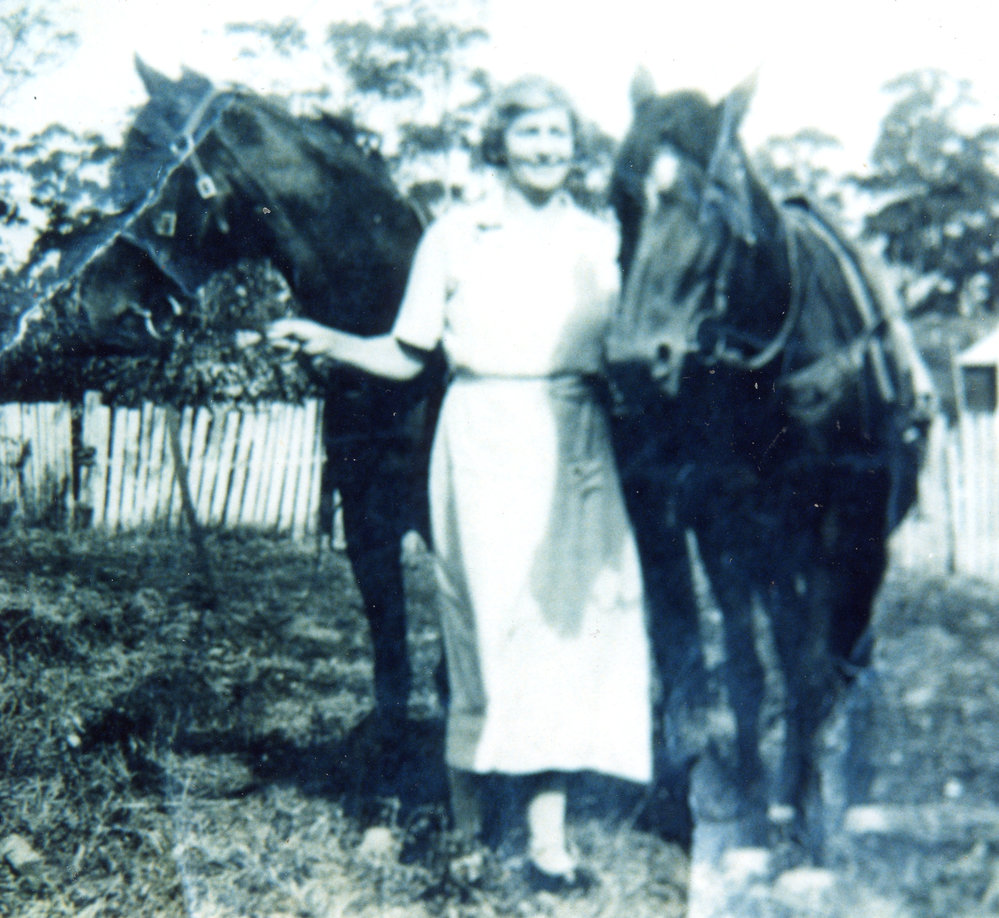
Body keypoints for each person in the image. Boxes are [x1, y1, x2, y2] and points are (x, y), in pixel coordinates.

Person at [268, 76, 653, 891]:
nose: (546, 148)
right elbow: (408, 353)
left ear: (573, 145)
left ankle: (548, 843)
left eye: (557, 134)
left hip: (577, 440)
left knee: (563, 637)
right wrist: (328, 340)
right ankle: (469, 830)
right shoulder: (456, 235)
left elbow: (635, 351)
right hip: (481, 435)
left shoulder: (600, 241)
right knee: (481, 626)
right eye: (529, 134)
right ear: (499, 143)